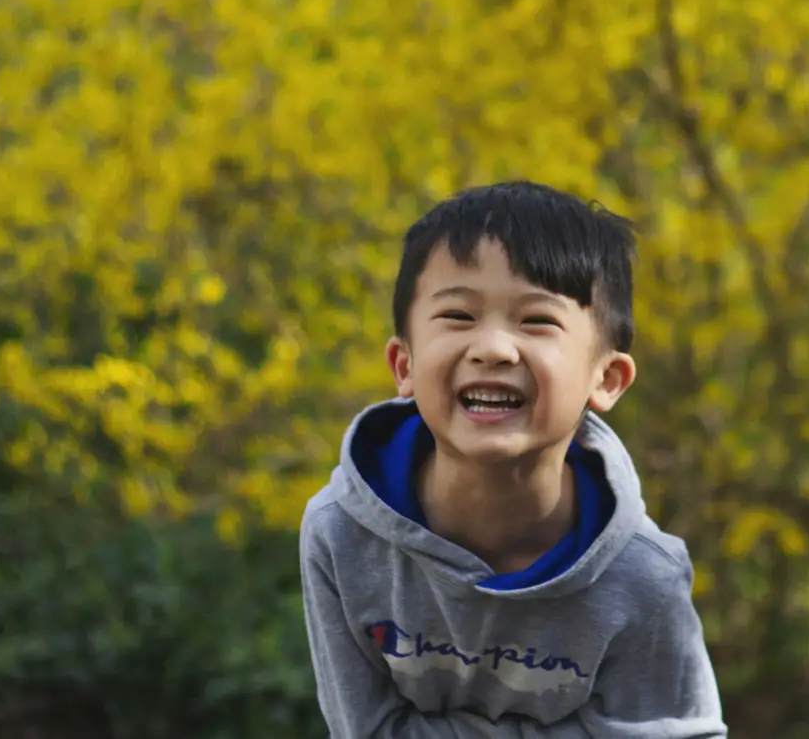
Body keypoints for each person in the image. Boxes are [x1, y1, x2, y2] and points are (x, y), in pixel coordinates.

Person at [299, 181, 727, 739]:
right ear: (403, 364)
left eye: (537, 321)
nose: (494, 348)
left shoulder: (642, 576)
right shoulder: (341, 537)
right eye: (457, 315)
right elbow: (366, 730)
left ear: (607, 378)